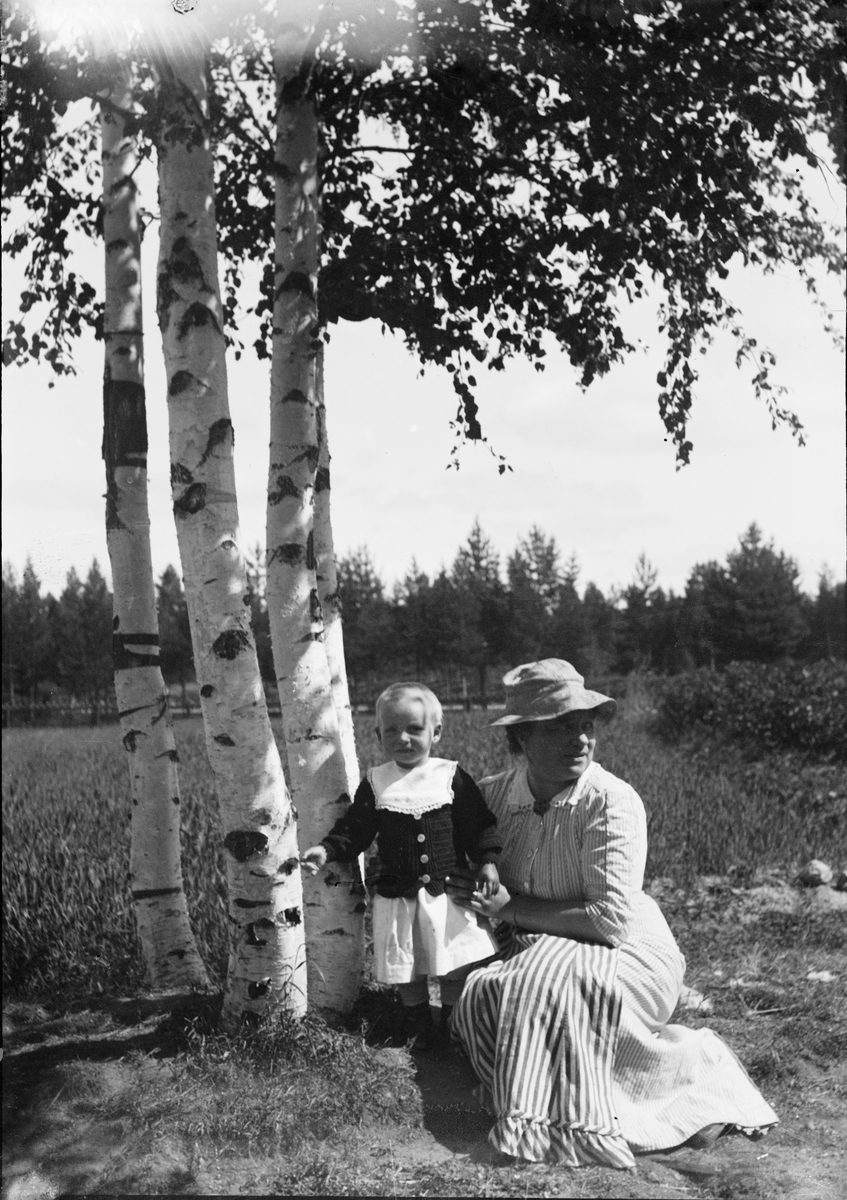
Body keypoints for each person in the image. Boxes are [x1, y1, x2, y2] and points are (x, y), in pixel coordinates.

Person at [445, 659, 778, 1170]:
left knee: (548, 992)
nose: (580, 739)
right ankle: (636, 1100)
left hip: (625, 950)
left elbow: (607, 921)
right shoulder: (489, 798)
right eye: (559, 727)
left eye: (586, 725)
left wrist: (509, 908)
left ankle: (651, 1103)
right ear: (522, 737)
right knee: (483, 997)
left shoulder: (610, 801)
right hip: (527, 949)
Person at [301, 681, 502, 1048]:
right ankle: (418, 1024)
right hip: (399, 896)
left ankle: (453, 1023)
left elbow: (477, 824)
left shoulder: (449, 776)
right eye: (391, 730)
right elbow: (356, 828)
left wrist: (487, 861)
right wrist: (327, 850)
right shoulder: (377, 782)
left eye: (414, 729)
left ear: (435, 732)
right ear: (378, 735)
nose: (402, 738)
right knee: (407, 964)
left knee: (453, 962)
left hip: (447, 895)